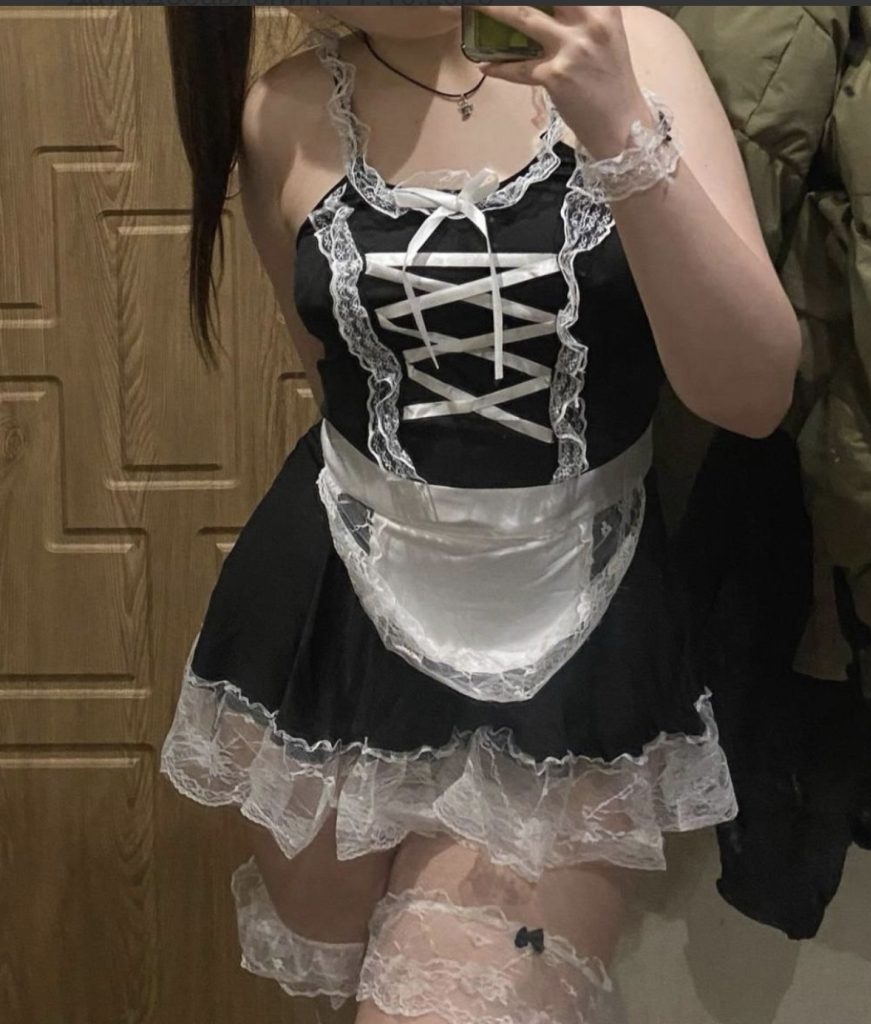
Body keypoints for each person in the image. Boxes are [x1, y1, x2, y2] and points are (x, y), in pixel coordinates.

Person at [158, 6, 802, 1022]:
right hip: (333, 626)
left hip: (575, 621)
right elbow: (329, 377)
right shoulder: (281, 110)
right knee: (350, 990)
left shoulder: (635, 52)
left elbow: (753, 396)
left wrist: (616, 120)